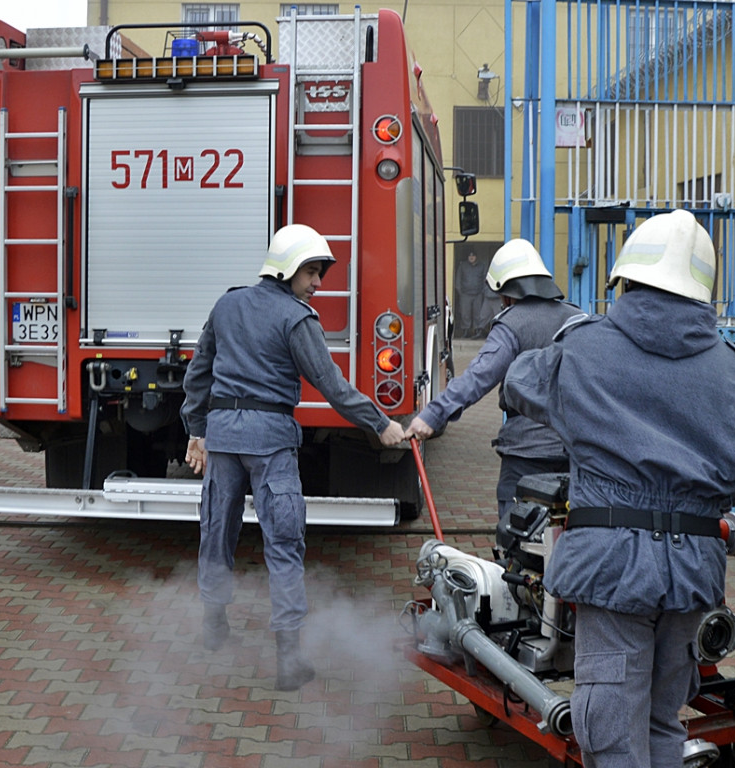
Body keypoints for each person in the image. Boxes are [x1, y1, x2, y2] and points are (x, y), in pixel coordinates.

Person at [501, 211, 735, 767]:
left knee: (611, 731)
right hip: (693, 572)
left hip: (612, 568)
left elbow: (520, 383)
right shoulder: (733, 368)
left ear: (628, 277)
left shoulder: (586, 347)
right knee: (662, 721)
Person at [180, 224, 406, 691]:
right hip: (270, 444)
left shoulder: (226, 305)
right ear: (285, 268)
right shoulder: (296, 318)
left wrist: (197, 431)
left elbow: (198, 374)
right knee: (284, 546)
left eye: (320, 272)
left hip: (222, 440)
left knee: (215, 534)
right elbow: (332, 385)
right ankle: (288, 661)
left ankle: (213, 628)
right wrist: (381, 423)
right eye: (311, 272)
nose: (318, 282)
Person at [406, 238, 582, 519]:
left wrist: (432, 415)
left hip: (526, 456)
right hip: (576, 452)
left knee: (517, 538)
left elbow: (480, 375)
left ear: (506, 292)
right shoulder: (578, 319)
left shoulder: (511, 323)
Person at [455, 250, 487, 338]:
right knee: (465, 314)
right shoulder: (463, 266)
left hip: (478, 294)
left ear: (476, 257)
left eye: (473, 256)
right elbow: (458, 279)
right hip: (465, 294)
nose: (471, 257)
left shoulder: (482, 266)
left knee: (478, 313)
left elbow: (485, 279)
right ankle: (466, 331)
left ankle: (477, 331)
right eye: (469, 256)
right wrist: (460, 292)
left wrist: (483, 291)